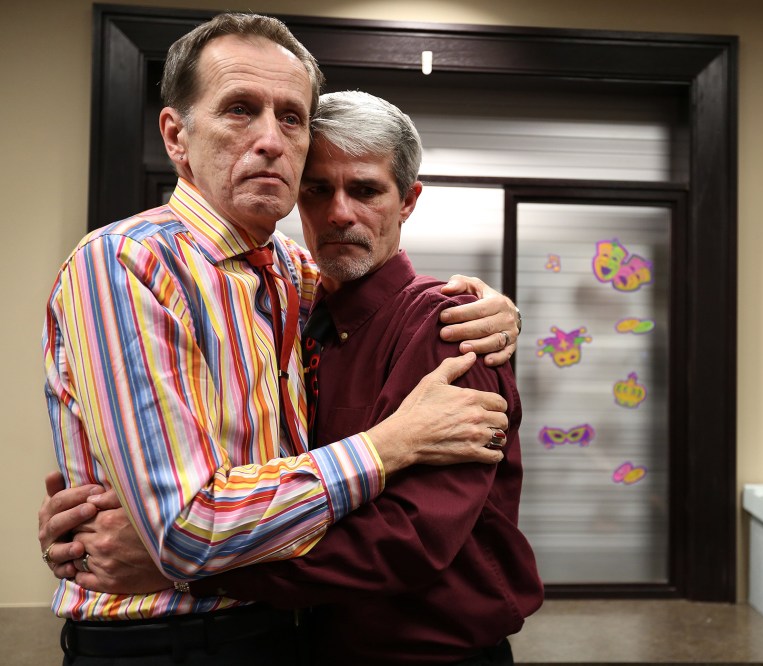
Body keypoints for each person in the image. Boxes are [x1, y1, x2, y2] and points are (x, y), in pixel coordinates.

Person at [40, 12, 520, 665]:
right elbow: (183, 528)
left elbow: (411, 532)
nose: (269, 138)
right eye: (241, 110)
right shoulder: (127, 264)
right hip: (166, 642)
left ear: (408, 200)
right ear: (176, 136)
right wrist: (390, 445)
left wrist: (495, 309)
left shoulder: (303, 280)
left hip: (324, 636)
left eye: (291, 117)